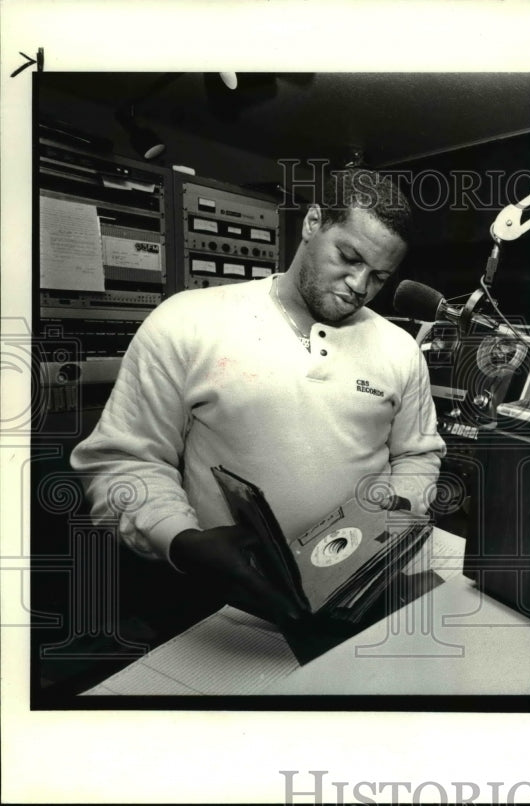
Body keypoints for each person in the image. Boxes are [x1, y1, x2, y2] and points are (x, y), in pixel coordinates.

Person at [71, 168, 446, 628]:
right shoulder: (188, 321)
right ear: (312, 223)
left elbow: (418, 455)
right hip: (220, 605)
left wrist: (401, 503)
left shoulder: (400, 350)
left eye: (379, 276)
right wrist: (181, 540)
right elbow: (124, 462)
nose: (359, 285)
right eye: (348, 257)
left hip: (355, 589)